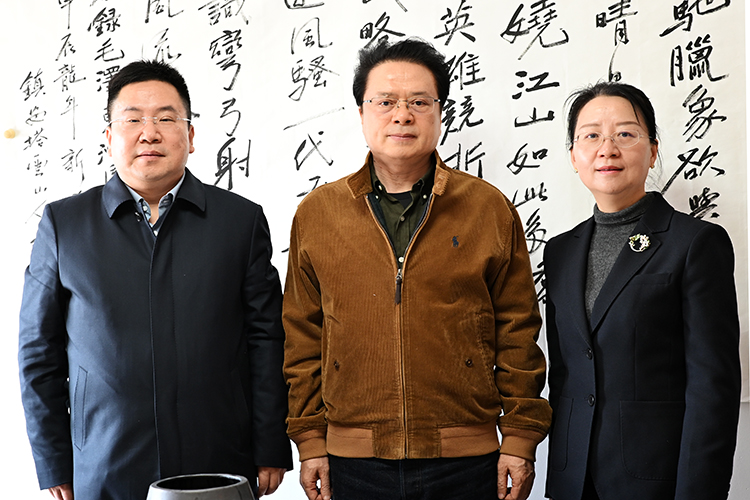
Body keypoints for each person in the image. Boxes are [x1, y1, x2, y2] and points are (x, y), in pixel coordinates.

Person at [283, 38, 552, 500]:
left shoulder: (487, 208)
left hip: (467, 459)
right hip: (353, 462)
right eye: (385, 101)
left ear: (440, 112)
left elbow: (517, 329)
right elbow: (302, 335)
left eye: (419, 102)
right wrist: (310, 441)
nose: (402, 115)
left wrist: (520, 440)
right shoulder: (319, 213)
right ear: (362, 113)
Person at [18, 60, 292, 500]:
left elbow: (267, 339)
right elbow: (38, 354)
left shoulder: (239, 221)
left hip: (220, 455)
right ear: (109, 137)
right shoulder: (65, 225)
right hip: (105, 460)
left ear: (191, 135)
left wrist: (270, 444)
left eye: (166, 119)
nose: (149, 133)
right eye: (132, 120)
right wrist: (52, 463)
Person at [544, 82, 741, 500]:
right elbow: (564, 374)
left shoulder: (695, 243)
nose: (607, 149)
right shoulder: (559, 251)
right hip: (572, 479)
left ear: (652, 151)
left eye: (625, 134)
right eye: (591, 135)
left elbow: (712, 387)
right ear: (574, 155)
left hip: (656, 481)